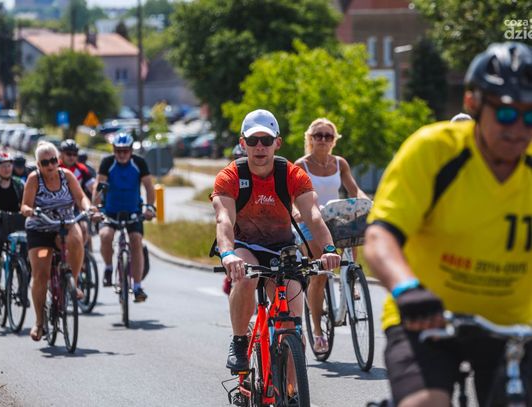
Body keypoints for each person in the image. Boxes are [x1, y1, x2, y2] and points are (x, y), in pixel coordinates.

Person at [364, 41, 532, 407]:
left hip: (516, 331)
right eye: (506, 113)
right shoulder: (434, 151)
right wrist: (407, 289)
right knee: (427, 402)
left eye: (530, 116)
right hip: (426, 319)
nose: (518, 128)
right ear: (473, 104)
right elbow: (380, 237)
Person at [211, 109, 341, 372]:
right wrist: (227, 254)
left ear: (277, 143)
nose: (260, 146)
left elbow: (313, 215)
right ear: (243, 143)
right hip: (245, 246)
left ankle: (291, 390)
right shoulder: (230, 176)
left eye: (266, 140)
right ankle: (239, 341)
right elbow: (223, 219)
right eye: (253, 140)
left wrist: (328, 249)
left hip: (282, 248)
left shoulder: (291, 174)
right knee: (245, 278)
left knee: (292, 326)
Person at [294, 117, 369, 353]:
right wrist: (296, 212)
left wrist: (364, 199)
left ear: (334, 140)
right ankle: (318, 333)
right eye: (318, 135)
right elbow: (292, 196)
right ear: (310, 138)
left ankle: (351, 276)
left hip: (335, 217)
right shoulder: (301, 165)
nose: (323, 140)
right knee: (320, 273)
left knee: (355, 227)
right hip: (311, 221)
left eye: (328, 136)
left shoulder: (340, 163)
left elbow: (354, 189)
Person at [21, 141, 94, 341]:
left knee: (77, 239)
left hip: (64, 224)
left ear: (58, 160)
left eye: (53, 160)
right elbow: (25, 205)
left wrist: (88, 208)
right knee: (41, 275)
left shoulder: (66, 176)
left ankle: (73, 282)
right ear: (38, 165)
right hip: (41, 230)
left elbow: (81, 197)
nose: (51, 165)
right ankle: (39, 322)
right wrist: (30, 211)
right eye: (45, 163)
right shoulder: (34, 179)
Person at [93, 133, 155, 302]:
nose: (121, 154)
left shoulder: (139, 162)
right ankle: (108, 267)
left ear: (131, 150)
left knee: (136, 240)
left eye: (125, 151)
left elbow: (149, 187)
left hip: (133, 210)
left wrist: (150, 207)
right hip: (110, 211)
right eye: (118, 151)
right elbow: (98, 187)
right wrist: (96, 209)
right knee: (105, 236)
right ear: (113, 150)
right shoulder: (108, 162)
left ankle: (137, 286)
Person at [0, 152, 25, 293]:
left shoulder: (19, 184)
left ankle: (24, 281)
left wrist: (26, 209)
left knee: (26, 244)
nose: (7, 169)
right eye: (3, 166)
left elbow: (26, 201)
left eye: (9, 165)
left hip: (16, 221)